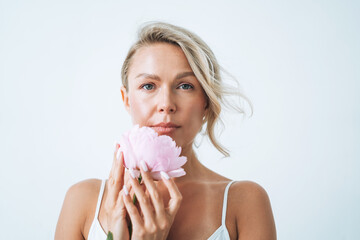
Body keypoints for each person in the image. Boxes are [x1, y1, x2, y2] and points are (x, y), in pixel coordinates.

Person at [55, 21, 276, 240]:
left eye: (185, 86)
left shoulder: (244, 202)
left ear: (206, 102)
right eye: (148, 86)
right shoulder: (82, 201)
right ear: (126, 99)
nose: (166, 104)